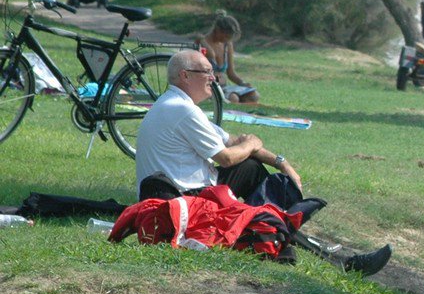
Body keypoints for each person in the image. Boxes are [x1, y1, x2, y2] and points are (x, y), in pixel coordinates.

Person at [133, 50, 391, 274]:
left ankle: (277, 227)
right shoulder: (182, 109)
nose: (215, 78)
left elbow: (233, 141)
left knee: (251, 168)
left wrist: (281, 162)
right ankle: (340, 261)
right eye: (207, 72)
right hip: (182, 199)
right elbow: (225, 157)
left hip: (186, 190)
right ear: (185, 76)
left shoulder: (176, 104)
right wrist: (251, 145)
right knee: (255, 187)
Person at [198, 12, 259, 104]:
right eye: (226, 36)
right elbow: (199, 73)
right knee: (233, 98)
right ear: (218, 30)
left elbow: (231, 73)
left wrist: (243, 83)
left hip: (224, 87)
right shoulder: (202, 43)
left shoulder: (227, 45)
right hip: (209, 88)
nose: (227, 39)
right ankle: (231, 114)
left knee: (253, 95)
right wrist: (210, 53)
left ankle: (242, 115)